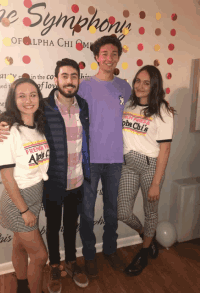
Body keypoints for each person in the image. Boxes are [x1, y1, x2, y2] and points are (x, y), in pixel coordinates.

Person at [0, 59, 90, 293]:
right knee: (50, 232)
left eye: (74, 76)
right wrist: (1, 123)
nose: (69, 81)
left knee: (68, 227)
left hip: (76, 180)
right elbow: (16, 122)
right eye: (64, 76)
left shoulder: (82, 106)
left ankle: (68, 264)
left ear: (78, 80)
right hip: (51, 184)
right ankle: (54, 267)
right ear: (55, 80)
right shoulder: (44, 107)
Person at [0, 78, 49, 293]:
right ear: (13, 100)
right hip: (17, 201)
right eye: (21, 96)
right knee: (40, 256)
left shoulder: (39, 126)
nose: (28, 100)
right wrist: (24, 210)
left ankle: (22, 285)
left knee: (19, 244)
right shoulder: (7, 132)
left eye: (33, 94)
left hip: (35, 194)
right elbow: (7, 178)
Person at [77, 35, 132, 276]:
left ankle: (110, 250)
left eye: (114, 53)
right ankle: (89, 255)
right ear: (97, 57)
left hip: (116, 160)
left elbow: (140, 112)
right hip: (89, 160)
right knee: (87, 211)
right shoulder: (84, 86)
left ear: (118, 56)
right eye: (105, 54)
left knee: (112, 210)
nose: (109, 58)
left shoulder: (125, 87)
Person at [118, 65, 175, 276]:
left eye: (146, 83)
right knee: (122, 211)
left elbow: (165, 149)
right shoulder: (129, 105)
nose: (140, 86)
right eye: (138, 81)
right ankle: (145, 235)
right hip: (129, 164)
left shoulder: (163, 111)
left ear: (154, 86)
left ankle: (143, 253)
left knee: (151, 212)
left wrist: (156, 183)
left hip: (151, 167)